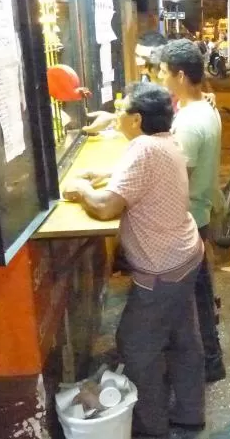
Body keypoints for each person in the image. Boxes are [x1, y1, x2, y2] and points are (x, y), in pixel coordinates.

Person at [62, 83, 206, 438]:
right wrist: (108, 177)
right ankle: (190, 413)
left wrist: (82, 189)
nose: (118, 116)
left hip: (160, 270)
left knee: (136, 346)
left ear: (137, 119)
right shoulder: (165, 141)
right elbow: (144, 179)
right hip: (186, 255)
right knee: (184, 338)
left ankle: (151, 428)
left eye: (122, 111)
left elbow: (106, 207)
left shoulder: (142, 148)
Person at [159, 39, 227, 384]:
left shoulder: (190, 122)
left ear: (181, 75)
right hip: (197, 214)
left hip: (187, 216)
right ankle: (210, 360)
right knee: (198, 293)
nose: (160, 76)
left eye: (163, 71)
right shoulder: (203, 108)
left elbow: (176, 176)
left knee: (189, 299)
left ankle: (204, 364)